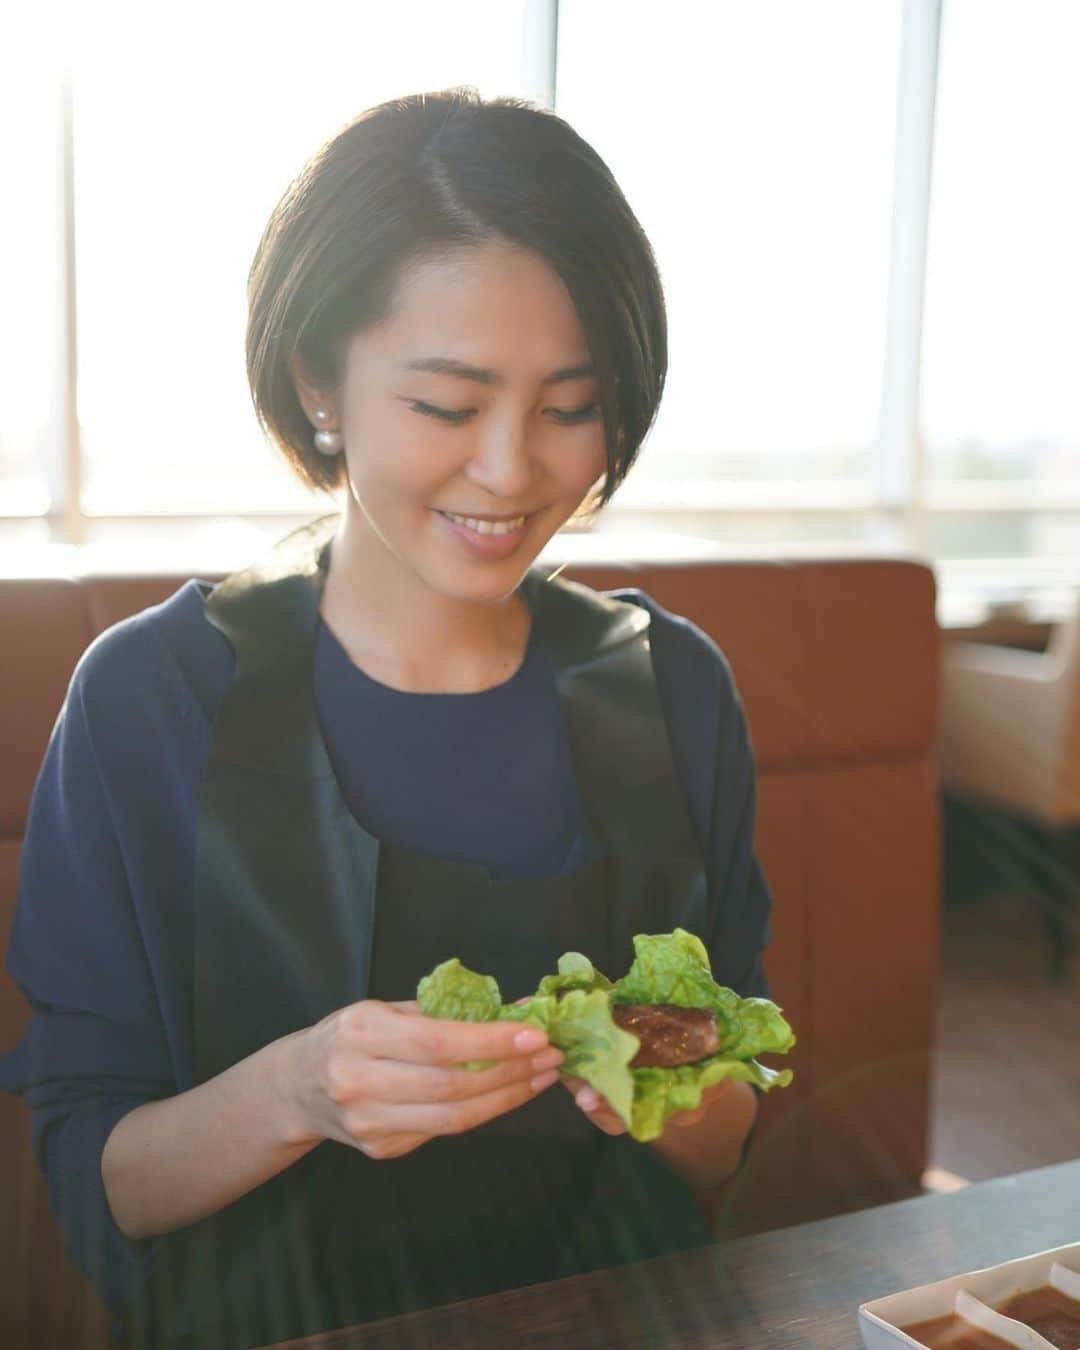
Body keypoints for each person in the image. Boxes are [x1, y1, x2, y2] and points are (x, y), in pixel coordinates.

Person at [0, 88, 774, 1348]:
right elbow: (98, 1181)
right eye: (448, 406)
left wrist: (670, 1077)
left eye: (570, 407)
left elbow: (732, 1141)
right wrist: (299, 1090)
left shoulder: (674, 684)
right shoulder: (151, 698)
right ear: (320, 379)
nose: (514, 470)